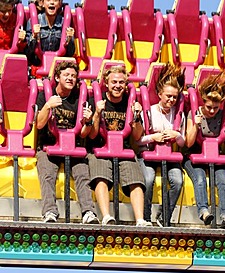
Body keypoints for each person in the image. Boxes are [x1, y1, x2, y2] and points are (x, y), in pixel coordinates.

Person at [87, 65, 151, 227]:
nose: (117, 86)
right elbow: (92, 134)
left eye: (121, 82)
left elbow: (137, 136)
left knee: (136, 180)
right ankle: (107, 216)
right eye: (114, 82)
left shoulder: (130, 102)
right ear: (106, 84)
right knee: (101, 176)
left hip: (124, 149)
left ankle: (140, 220)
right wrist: (96, 113)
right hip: (100, 148)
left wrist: (136, 116)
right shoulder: (97, 100)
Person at [35, 61, 97, 224]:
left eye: (73, 76)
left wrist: (88, 121)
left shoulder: (81, 98)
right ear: (57, 77)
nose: (70, 78)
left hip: (73, 146)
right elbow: (39, 124)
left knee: (83, 174)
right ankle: (49, 212)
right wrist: (48, 106)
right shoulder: (45, 95)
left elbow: (85, 133)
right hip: (49, 145)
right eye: (66, 75)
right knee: (47, 174)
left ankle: (88, 212)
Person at [184, 72, 225, 229]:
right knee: (200, 178)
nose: (212, 111)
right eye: (209, 107)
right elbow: (188, 142)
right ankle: (204, 212)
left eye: (215, 107)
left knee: (222, 179)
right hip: (195, 155)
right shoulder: (193, 113)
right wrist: (196, 125)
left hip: (215, 156)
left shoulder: (223, 115)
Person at [136, 63, 185, 227]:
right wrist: (153, 137)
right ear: (159, 94)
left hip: (169, 155)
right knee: (148, 179)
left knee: (177, 181)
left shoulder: (178, 115)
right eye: (168, 96)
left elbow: (183, 142)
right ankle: (146, 215)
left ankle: (165, 215)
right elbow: (138, 141)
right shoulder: (149, 112)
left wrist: (176, 135)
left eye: (174, 97)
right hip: (149, 153)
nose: (171, 100)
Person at [25, 0, 75, 66]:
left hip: (58, 66)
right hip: (37, 66)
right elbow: (27, 52)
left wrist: (69, 40)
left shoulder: (64, 23)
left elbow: (70, 53)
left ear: (59, 4)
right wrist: (34, 36)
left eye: (55, 0)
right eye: (48, 0)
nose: (52, 2)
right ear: (42, 3)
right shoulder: (33, 21)